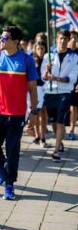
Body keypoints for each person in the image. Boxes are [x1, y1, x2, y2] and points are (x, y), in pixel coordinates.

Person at [0, 26, 39, 200]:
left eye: (5, 38)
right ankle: (2, 167)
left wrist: (34, 111)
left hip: (17, 114)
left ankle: (9, 185)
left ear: (15, 41)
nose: (1, 40)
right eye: (1, 37)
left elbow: (32, 88)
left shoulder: (26, 60)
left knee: (12, 151)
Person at [41, 29, 78, 162]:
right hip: (50, 93)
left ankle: (56, 151)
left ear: (69, 41)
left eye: (65, 39)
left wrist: (55, 78)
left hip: (65, 93)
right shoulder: (48, 56)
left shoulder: (74, 57)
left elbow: (71, 79)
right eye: (61, 39)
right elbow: (43, 78)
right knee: (54, 123)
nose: (63, 42)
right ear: (56, 39)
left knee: (61, 121)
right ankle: (60, 141)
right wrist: (46, 71)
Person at [31, 41, 49, 147]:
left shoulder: (47, 60)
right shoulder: (33, 60)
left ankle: (43, 137)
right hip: (36, 89)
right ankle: (37, 135)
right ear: (35, 50)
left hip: (46, 88)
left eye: (42, 49)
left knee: (44, 113)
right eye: (38, 49)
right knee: (36, 114)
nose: (40, 51)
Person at [67, 30, 78, 140]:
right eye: (71, 38)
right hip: (64, 84)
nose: (73, 40)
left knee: (74, 108)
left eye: (75, 37)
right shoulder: (65, 52)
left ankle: (71, 130)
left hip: (76, 84)